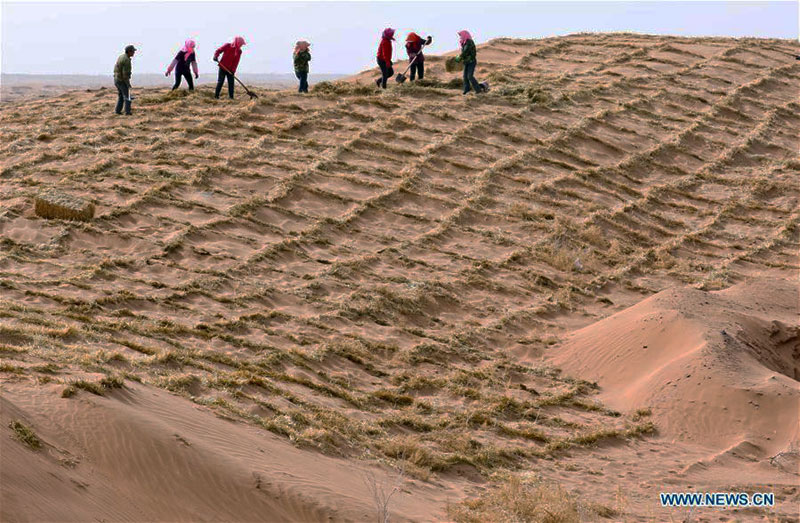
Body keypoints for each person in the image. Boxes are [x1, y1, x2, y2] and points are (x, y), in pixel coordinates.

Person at [454, 30, 482, 95]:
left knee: (470, 76)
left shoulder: (469, 42)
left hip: (471, 62)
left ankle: (478, 90)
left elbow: (466, 51)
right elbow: (464, 52)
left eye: (461, 35)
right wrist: (461, 58)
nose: (460, 37)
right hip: (466, 62)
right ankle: (467, 89)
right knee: (465, 77)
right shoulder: (464, 43)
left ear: (465, 35)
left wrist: (460, 57)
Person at [113, 45, 136, 115]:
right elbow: (125, 74)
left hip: (116, 79)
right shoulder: (126, 60)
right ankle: (127, 112)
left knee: (121, 96)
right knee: (127, 97)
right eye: (133, 51)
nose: (134, 53)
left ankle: (117, 111)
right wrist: (128, 84)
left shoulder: (121, 56)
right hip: (121, 80)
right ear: (129, 52)